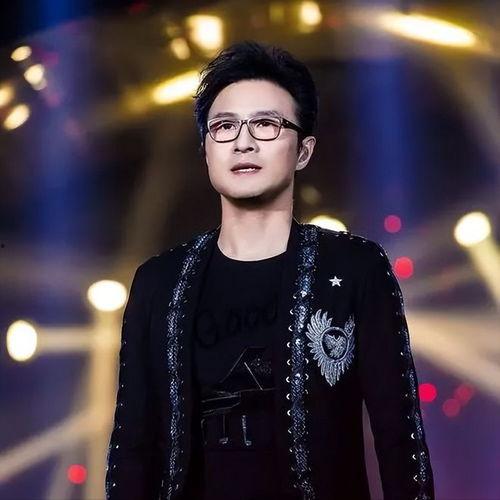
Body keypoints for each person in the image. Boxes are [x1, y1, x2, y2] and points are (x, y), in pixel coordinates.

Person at [105, 40, 435, 500]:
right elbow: (132, 447)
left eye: (266, 124)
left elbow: (400, 438)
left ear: (303, 151)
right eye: (224, 126)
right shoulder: (159, 282)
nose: (243, 142)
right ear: (206, 150)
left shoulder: (355, 268)